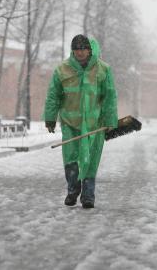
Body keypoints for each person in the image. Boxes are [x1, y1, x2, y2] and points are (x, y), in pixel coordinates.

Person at [43, 34, 118, 208]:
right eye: (76, 49)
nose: (80, 52)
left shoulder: (103, 70)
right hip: (70, 122)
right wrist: (50, 118)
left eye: (83, 48)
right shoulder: (62, 70)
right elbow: (53, 96)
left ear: (90, 50)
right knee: (70, 157)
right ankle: (73, 188)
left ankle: (88, 195)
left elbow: (109, 97)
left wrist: (110, 120)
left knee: (90, 159)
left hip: (95, 123)